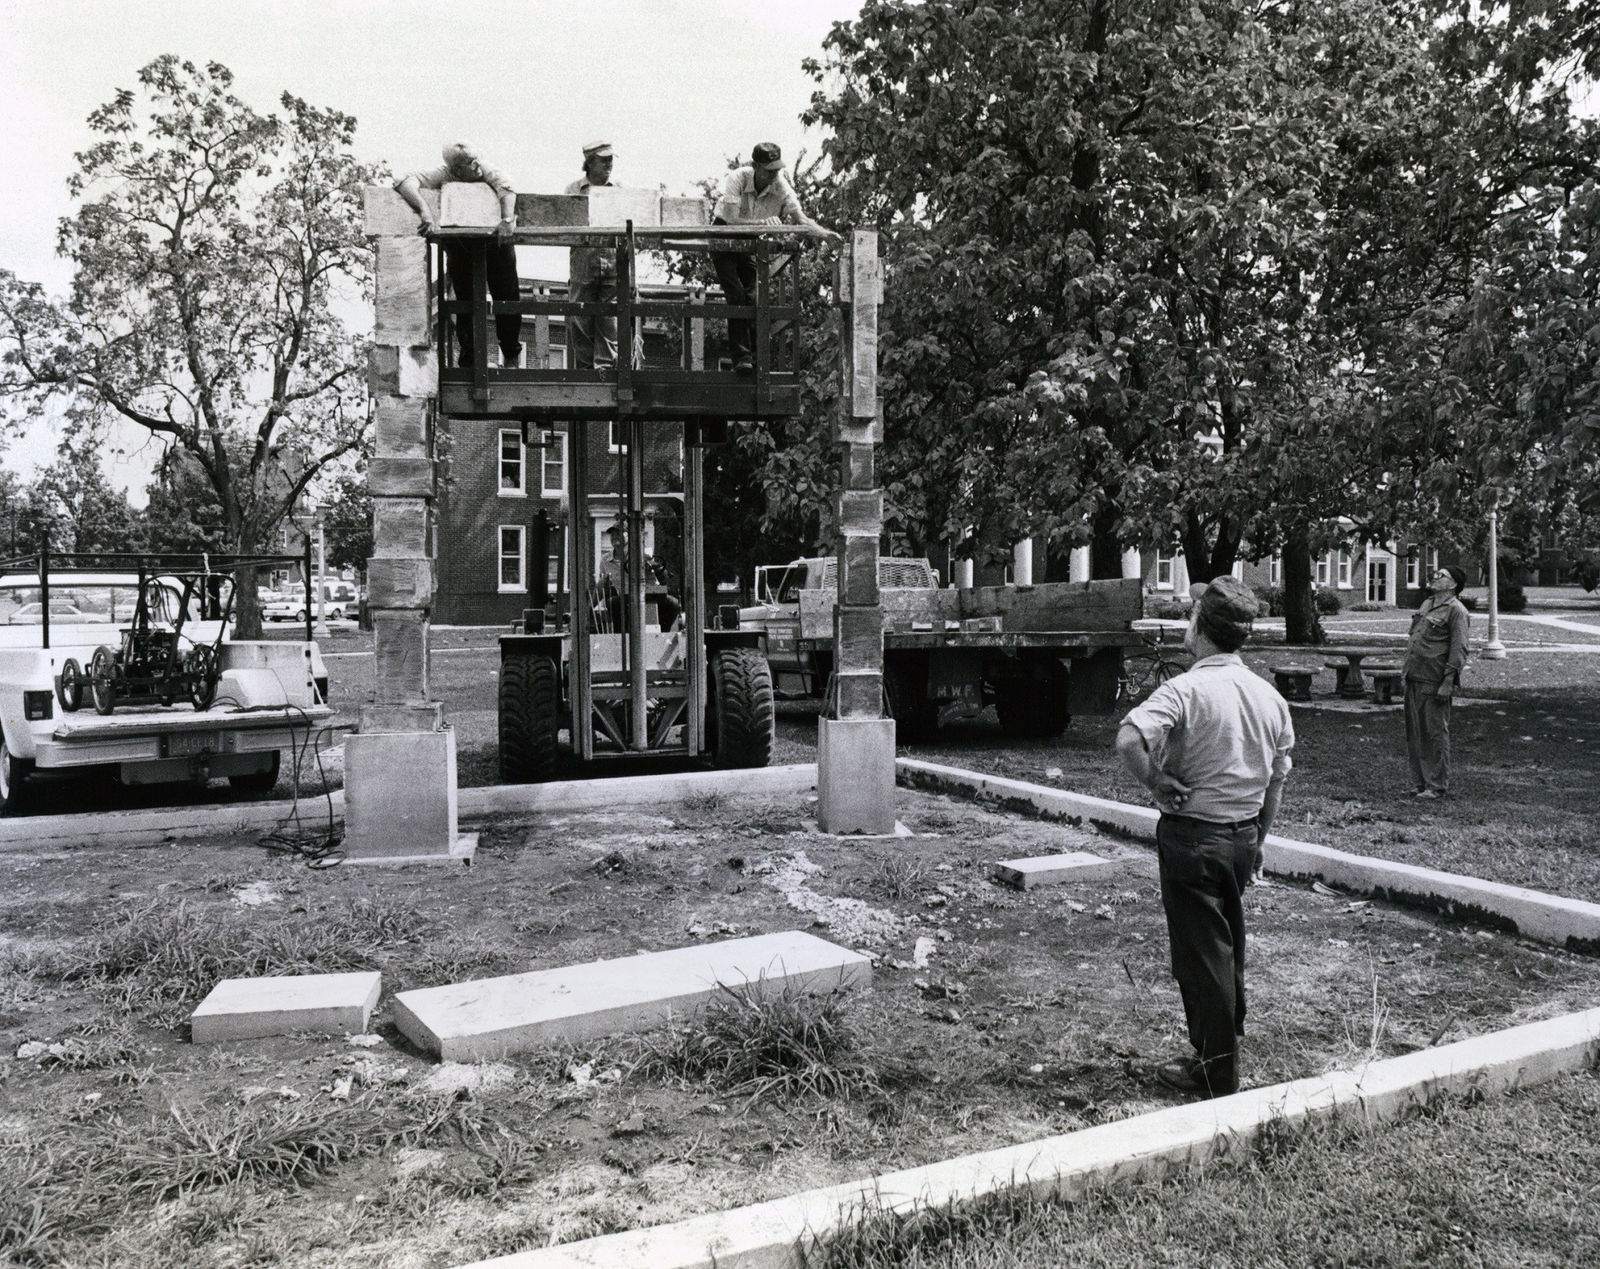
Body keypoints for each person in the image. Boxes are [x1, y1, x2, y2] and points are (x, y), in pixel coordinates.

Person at [1115, 576, 1294, 1099]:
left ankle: (1217, 1071)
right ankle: (1215, 1047)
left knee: (1202, 955)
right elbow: (1277, 778)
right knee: (1225, 946)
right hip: (1241, 838)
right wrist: (1259, 839)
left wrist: (1156, 781)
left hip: (1193, 839)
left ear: (1201, 628)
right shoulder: (1268, 696)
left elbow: (1129, 738)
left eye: (1192, 617)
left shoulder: (1185, 689)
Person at [711, 142, 838, 374]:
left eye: (776, 170)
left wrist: (824, 234)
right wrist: (762, 223)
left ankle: (757, 359)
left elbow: (801, 219)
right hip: (724, 236)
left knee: (755, 296)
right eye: (768, 170)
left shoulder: (781, 187)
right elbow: (730, 221)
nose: (773, 175)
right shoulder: (737, 179)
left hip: (749, 242)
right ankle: (741, 358)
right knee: (736, 294)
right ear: (756, 167)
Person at [394, 144, 522, 368]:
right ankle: (470, 359)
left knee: (507, 295)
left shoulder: (486, 169)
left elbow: (507, 189)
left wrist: (508, 219)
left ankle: (511, 354)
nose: (476, 167)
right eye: (469, 164)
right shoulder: (446, 174)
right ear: (456, 169)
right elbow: (404, 182)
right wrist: (424, 210)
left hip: (496, 241)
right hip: (462, 244)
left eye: (475, 160)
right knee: (465, 300)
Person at [1403, 564, 1470, 799]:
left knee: (1434, 732)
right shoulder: (1427, 604)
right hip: (1414, 675)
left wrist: (1448, 681)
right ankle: (1419, 782)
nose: (1434, 577)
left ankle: (1436, 785)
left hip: (1434, 679)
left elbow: (1459, 648)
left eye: (1441, 576)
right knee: (1415, 733)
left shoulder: (1456, 610)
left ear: (1453, 585)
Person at [564, 141, 622, 370]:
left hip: (612, 258)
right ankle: (586, 370)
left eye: (611, 159)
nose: (609, 164)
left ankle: (605, 371)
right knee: (580, 316)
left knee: (609, 317)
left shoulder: (619, 190)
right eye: (603, 159)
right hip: (584, 259)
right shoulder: (573, 190)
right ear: (589, 163)